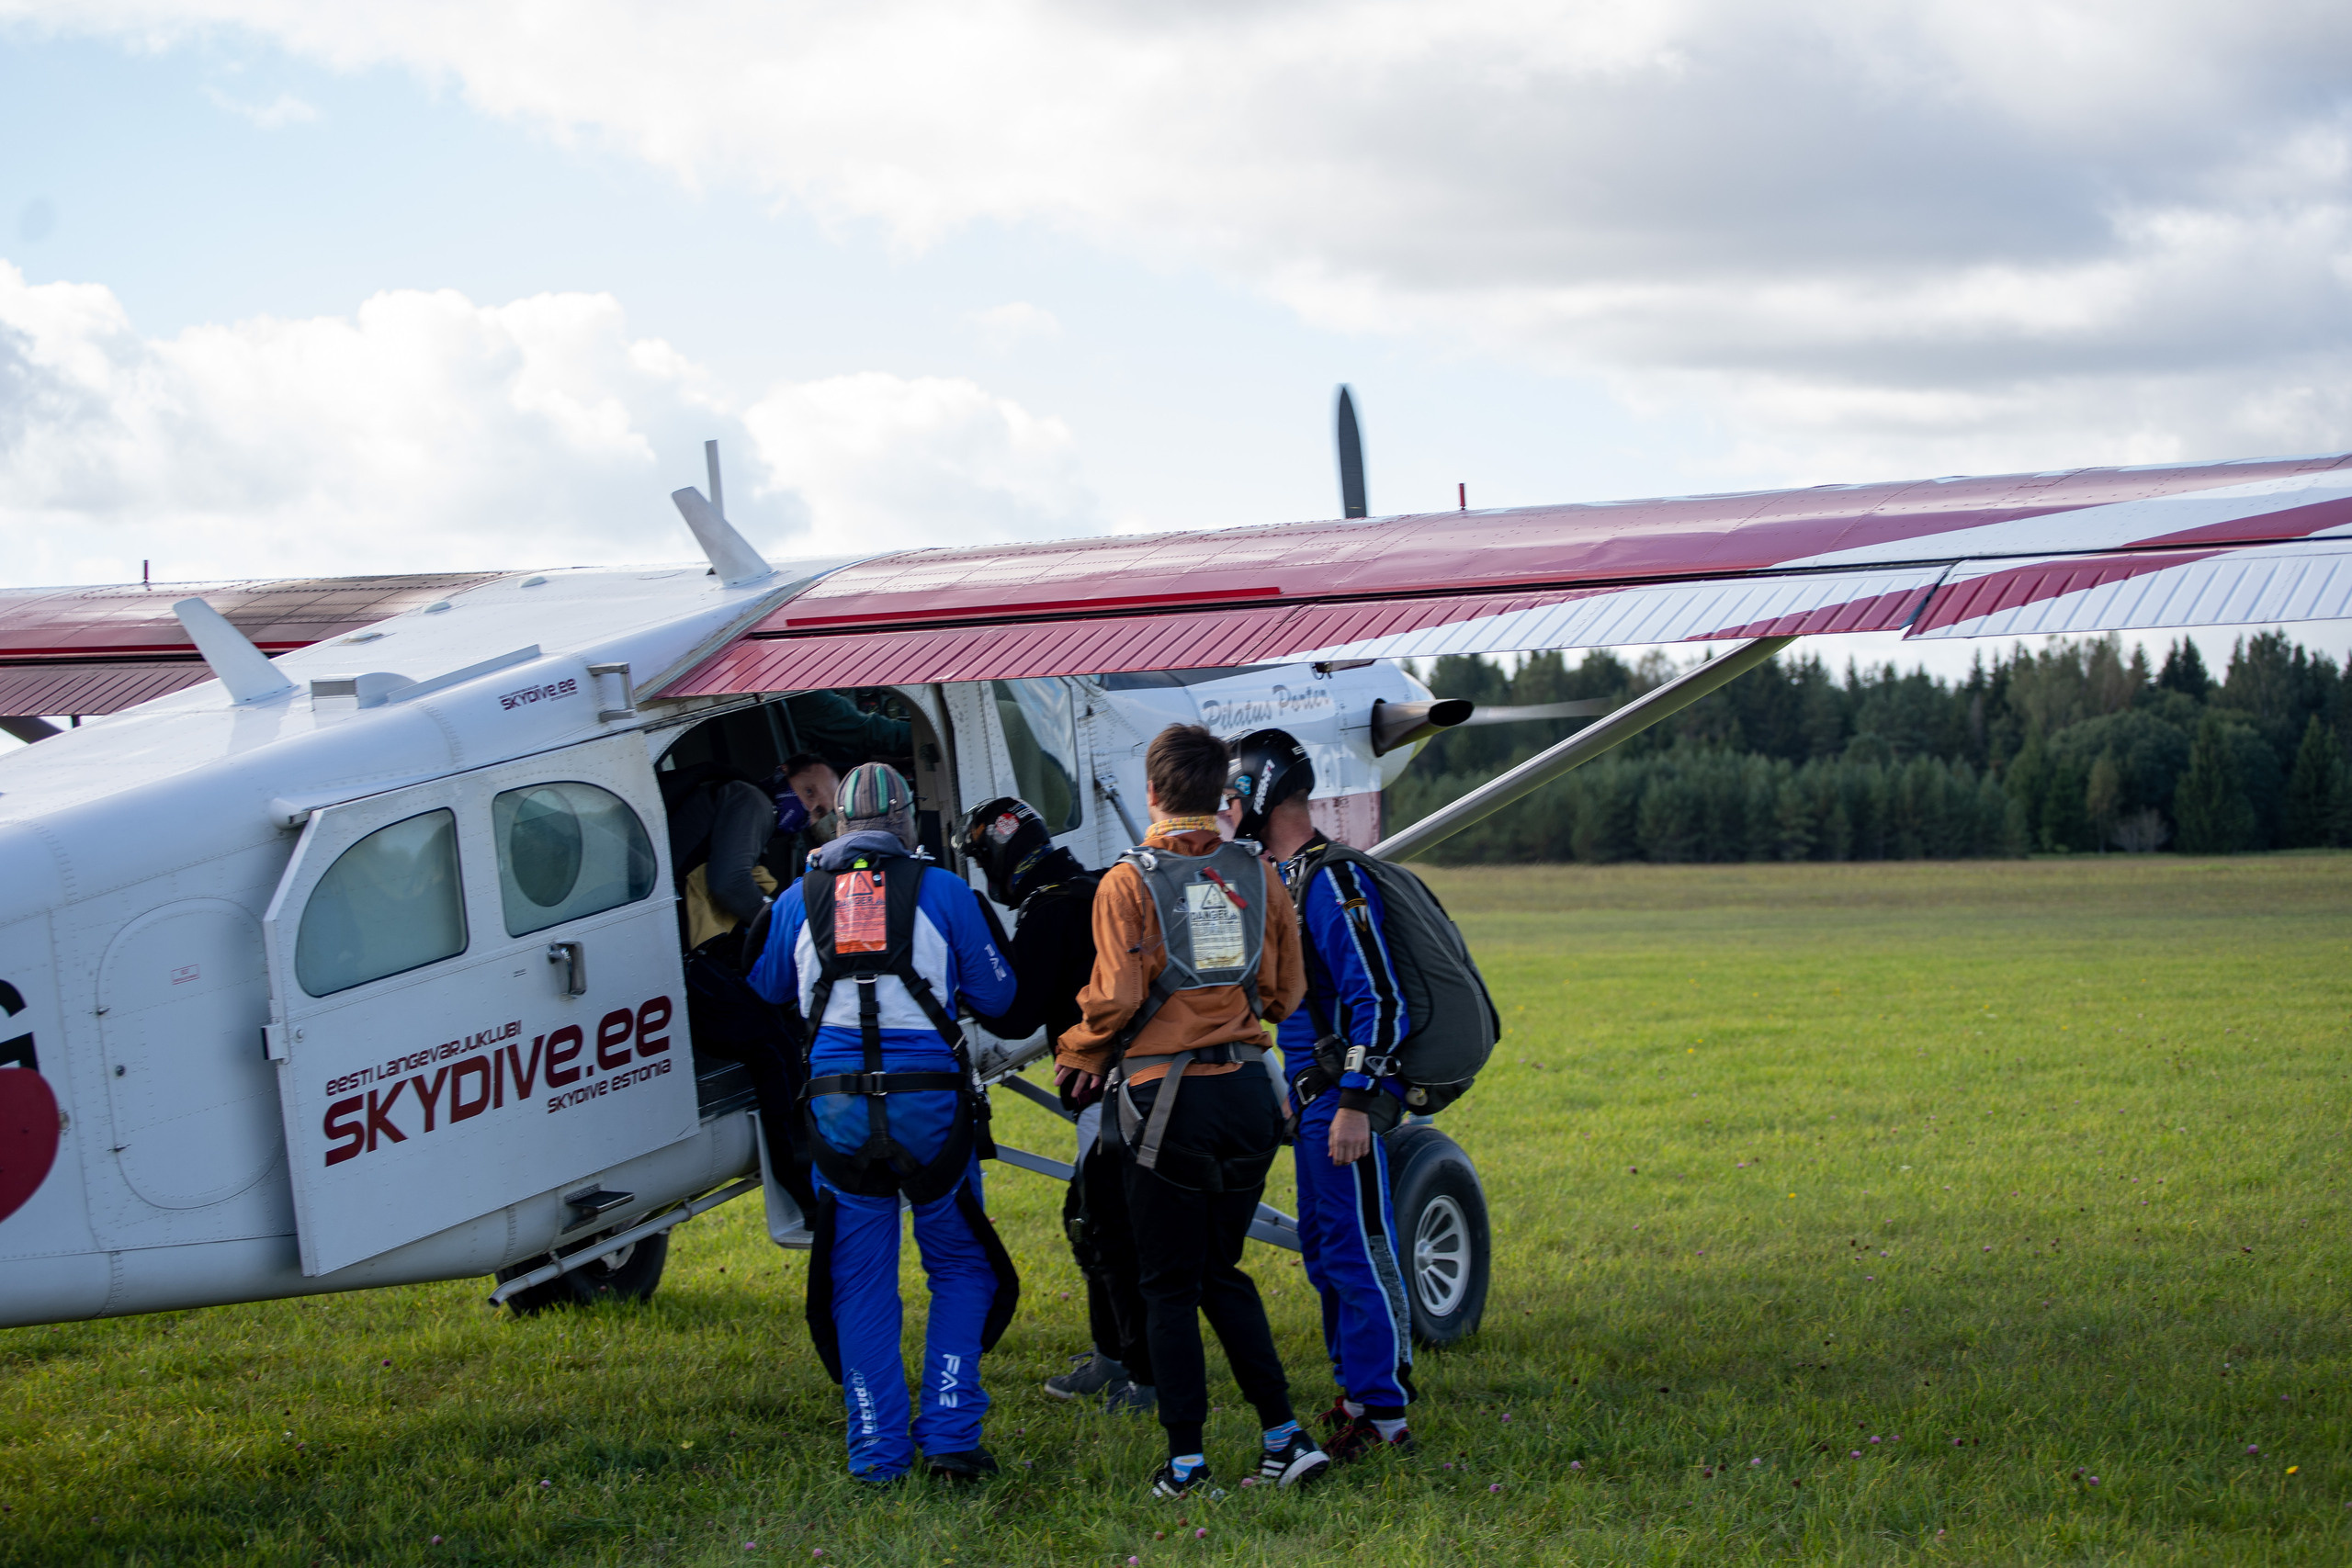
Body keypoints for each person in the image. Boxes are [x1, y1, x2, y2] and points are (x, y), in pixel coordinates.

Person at [1054, 724, 1330, 1498]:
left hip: (1166, 1104)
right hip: (1249, 1093)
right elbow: (1284, 993)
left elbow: (1114, 998)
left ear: (1151, 792)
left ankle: (1186, 1464)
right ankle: (1284, 1435)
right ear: (1221, 795)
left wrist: (1076, 1050)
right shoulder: (1259, 871)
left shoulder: (1127, 882)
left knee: (1167, 1285)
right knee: (1220, 1269)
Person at [748, 762, 1021, 1484]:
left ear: (839, 825)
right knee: (961, 1266)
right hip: (932, 1106)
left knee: (858, 1279)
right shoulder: (946, 891)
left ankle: (877, 1450)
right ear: (906, 824)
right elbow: (1000, 996)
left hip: (836, 1109)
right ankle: (952, 1436)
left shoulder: (797, 900)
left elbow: (767, 985)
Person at [1227, 729, 1418, 1463]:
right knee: (1326, 1253)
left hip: (1343, 1106)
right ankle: (1357, 1394)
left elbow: (1381, 998)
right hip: (1310, 1105)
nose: (1229, 807)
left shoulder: (1332, 881)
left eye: (1236, 793)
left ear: (1263, 791)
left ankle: (1386, 1412)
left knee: (1360, 1250)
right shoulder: (1284, 875)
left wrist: (1355, 1102)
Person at [958, 797, 1154, 1415]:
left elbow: (1014, 1015)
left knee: (1105, 1227)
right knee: (1095, 1218)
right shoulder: (1093, 882)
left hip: (1109, 1090)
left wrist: (973, 940)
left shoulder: (1049, 911)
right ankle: (1114, 1354)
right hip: (1152, 1079)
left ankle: (1140, 1373)